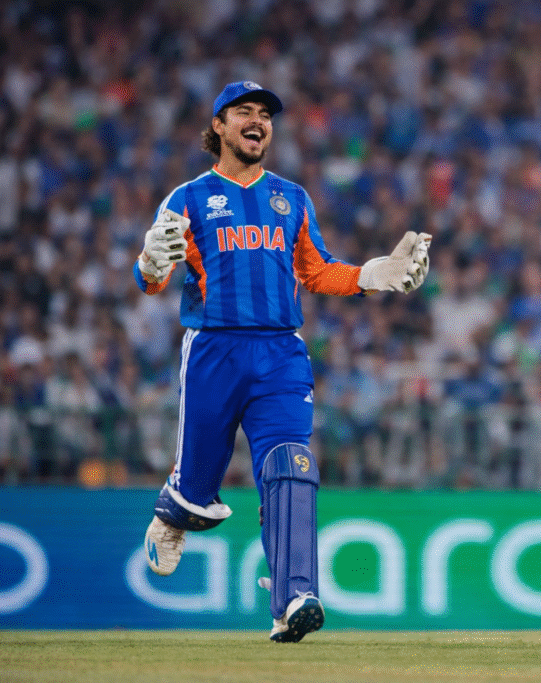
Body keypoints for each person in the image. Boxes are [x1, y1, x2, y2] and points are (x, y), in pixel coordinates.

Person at [135, 81, 431, 643]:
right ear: (218, 126)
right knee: (199, 482)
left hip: (280, 353)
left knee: (291, 462)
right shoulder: (189, 198)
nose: (258, 121)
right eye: (244, 112)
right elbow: (153, 281)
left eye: (265, 114)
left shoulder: (290, 197)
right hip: (214, 349)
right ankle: (177, 510)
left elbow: (316, 269)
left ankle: (294, 595)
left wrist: (372, 275)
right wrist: (150, 262)